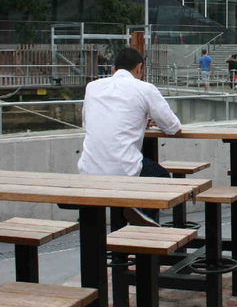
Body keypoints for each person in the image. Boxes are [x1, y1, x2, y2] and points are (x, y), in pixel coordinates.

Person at [78, 47, 182, 224]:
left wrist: (138, 120)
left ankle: (115, 227)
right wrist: (143, 120)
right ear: (139, 68)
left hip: (88, 169)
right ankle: (141, 216)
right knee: (161, 177)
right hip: (124, 169)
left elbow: (88, 124)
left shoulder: (92, 87)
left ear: (114, 69)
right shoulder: (145, 88)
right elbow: (174, 127)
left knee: (137, 169)